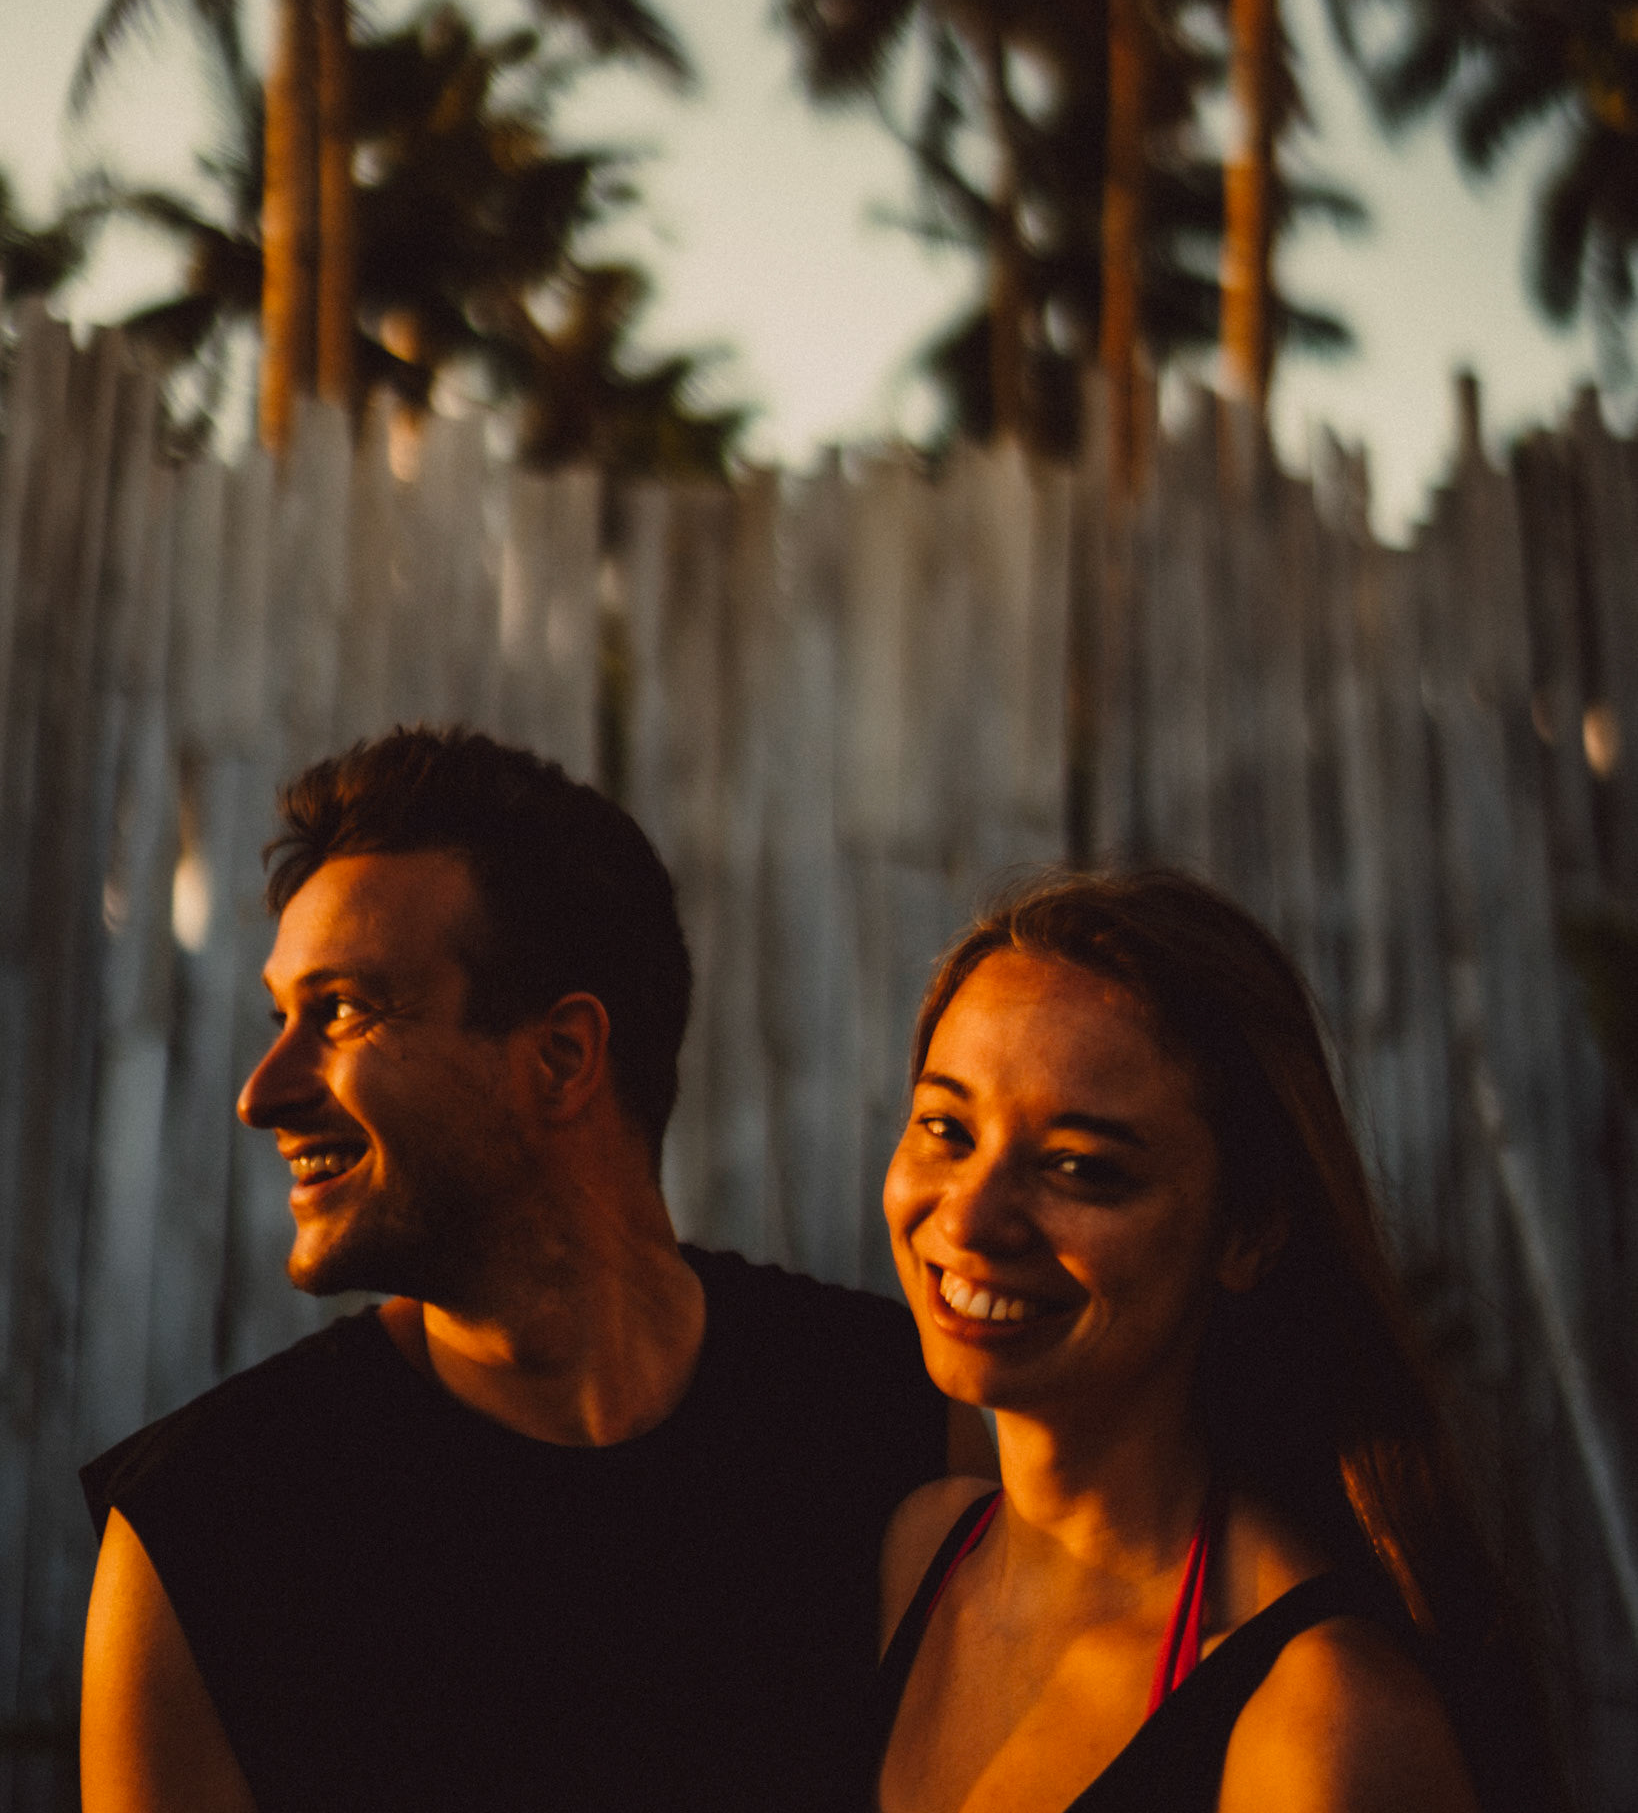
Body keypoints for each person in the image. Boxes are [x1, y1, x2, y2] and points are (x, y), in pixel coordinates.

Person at [80, 727, 991, 1813]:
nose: (263, 1091)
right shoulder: (210, 1528)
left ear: (561, 1057)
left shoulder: (899, 1421)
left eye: (341, 1012)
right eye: (284, 1016)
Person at [874, 869, 1566, 1813]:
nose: (971, 1218)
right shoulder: (919, 1553)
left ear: (1248, 1232)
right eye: (946, 1129)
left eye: (1079, 1168)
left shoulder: (1319, 1721)